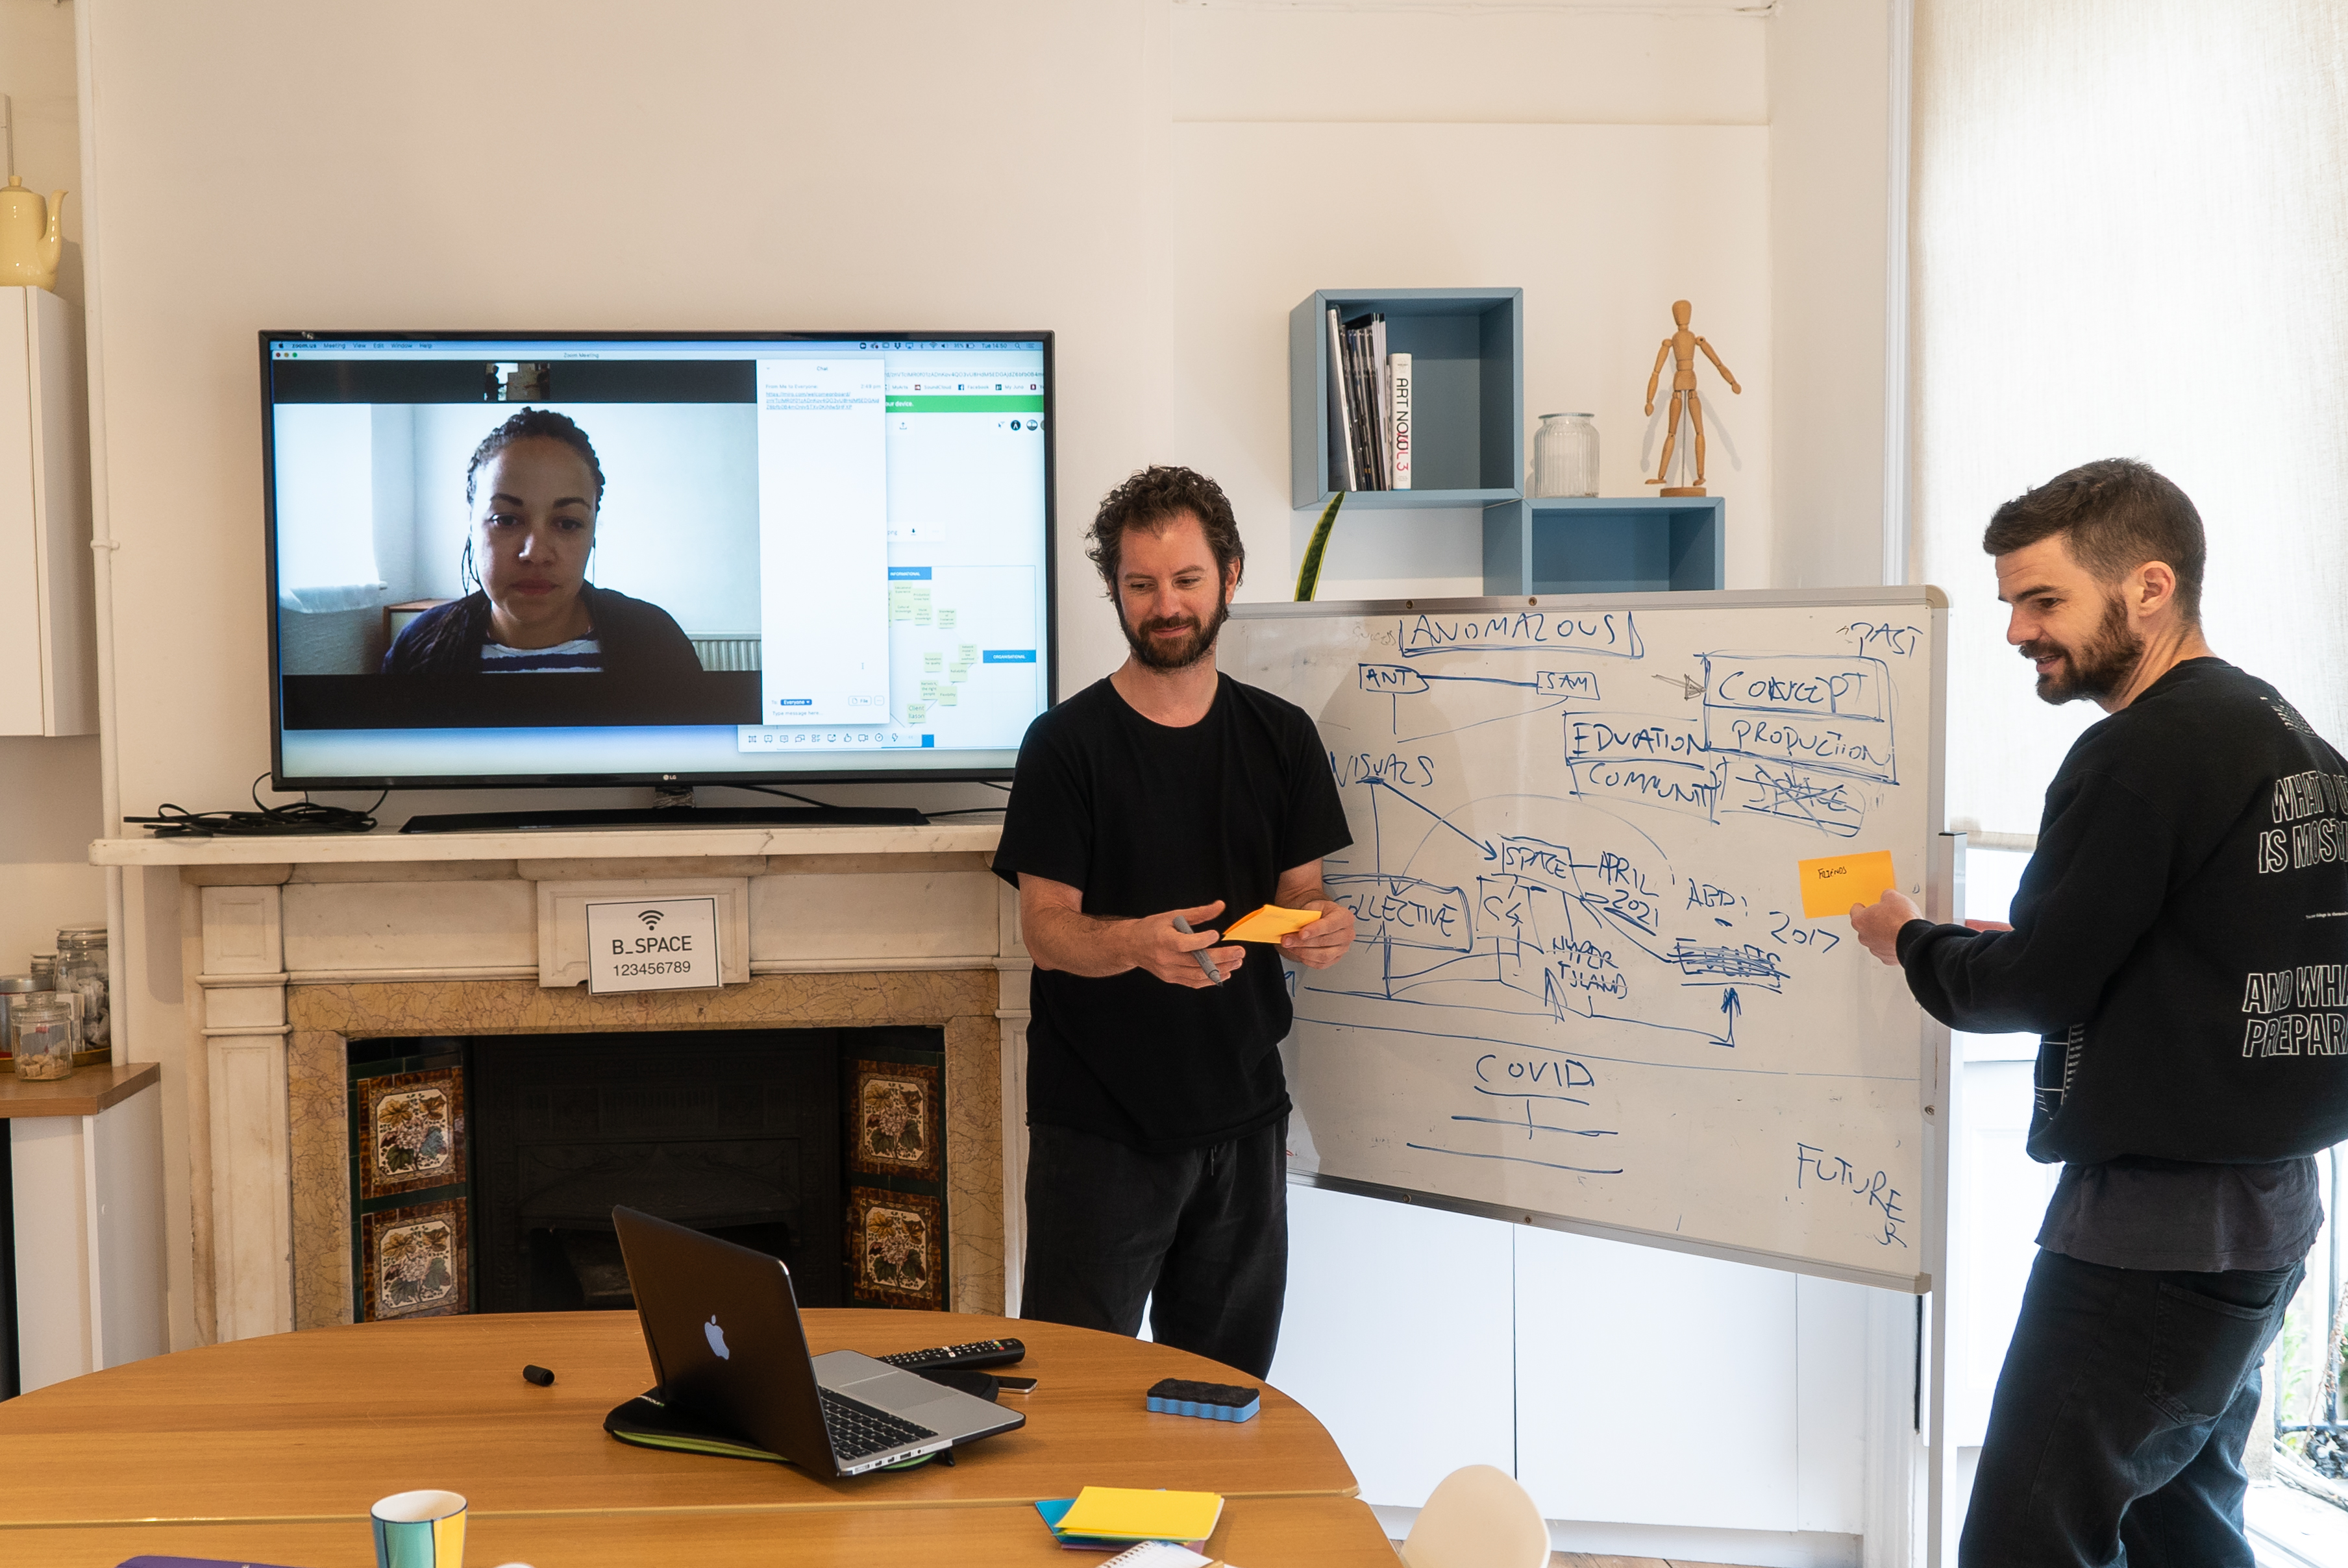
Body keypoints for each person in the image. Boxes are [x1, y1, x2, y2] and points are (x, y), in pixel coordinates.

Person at [1849, 458, 2348, 1566]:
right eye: (2011, 603)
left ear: (2149, 588)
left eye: (2043, 599)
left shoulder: (2137, 752)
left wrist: (1906, 942)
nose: (2018, 631)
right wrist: (2030, 950)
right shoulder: (2286, 735)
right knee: (2183, 1520)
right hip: (2263, 1219)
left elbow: (2036, 989)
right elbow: (2202, 950)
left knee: (2030, 1539)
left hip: (2151, 1239)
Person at [991, 465, 1357, 1378]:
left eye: (1187, 581)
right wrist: (1134, 946)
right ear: (1113, 590)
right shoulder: (1063, 745)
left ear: (1229, 577)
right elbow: (1046, 928)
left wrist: (1319, 927)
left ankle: (1188, 1533)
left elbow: (1301, 893)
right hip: (1099, 1130)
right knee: (1073, 1391)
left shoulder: (1281, 738)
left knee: (1225, 1395)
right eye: (1142, 585)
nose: (1166, 606)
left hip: (1243, 1120)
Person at [381, 408, 700, 678]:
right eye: (506, 520)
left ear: (591, 532)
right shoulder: (419, 649)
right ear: (471, 524)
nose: (535, 554)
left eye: (567, 523)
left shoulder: (656, 642)